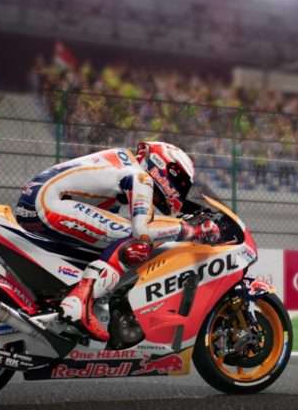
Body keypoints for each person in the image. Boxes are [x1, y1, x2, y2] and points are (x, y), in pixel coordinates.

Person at [15, 141, 219, 341]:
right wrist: (190, 229)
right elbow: (142, 230)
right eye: (180, 183)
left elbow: (105, 218)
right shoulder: (141, 177)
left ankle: (65, 297)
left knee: (114, 240)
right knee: (135, 242)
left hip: (35, 202)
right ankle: (77, 304)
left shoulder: (122, 165)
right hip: (47, 203)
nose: (179, 191)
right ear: (165, 167)